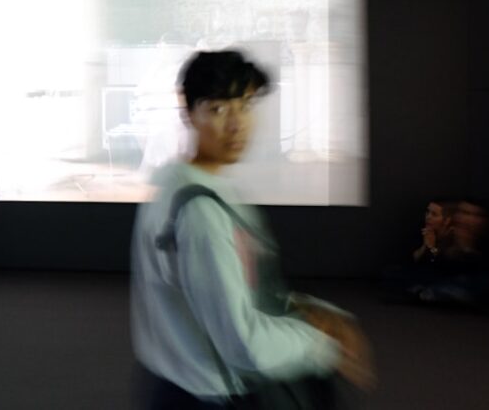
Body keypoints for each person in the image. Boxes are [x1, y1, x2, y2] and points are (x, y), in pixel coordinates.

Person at [130, 50, 375, 408]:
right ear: (189, 112)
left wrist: (304, 310)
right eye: (218, 109)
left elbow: (231, 292)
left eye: (244, 106)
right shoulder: (201, 212)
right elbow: (243, 344)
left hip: (175, 382)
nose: (237, 124)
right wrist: (322, 347)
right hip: (207, 394)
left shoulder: (175, 183)